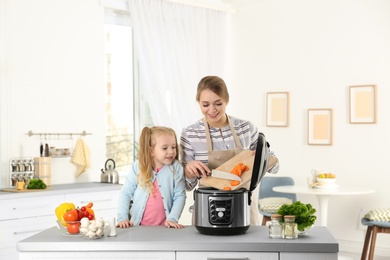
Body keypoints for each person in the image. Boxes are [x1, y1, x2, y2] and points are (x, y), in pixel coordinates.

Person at [180, 75, 279, 225]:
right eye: (205, 105)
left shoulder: (245, 128)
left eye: (218, 103)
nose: (212, 110)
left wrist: (260, 159)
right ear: (198, 102)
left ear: (227, 100)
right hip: (206, 212)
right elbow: (186, 186)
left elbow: (274, 166)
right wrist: (188, 169)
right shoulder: (190, 133)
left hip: (243, 209)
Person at [117, 126, 186, 229]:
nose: (171, 151)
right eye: (165, 148)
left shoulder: (176, 169)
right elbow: (125, 193)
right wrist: (122, 218)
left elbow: (180, 196)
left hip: (165, 229)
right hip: (138, 228)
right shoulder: (138, 167)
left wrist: (172, 218)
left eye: (173, 147)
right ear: (151, 151)